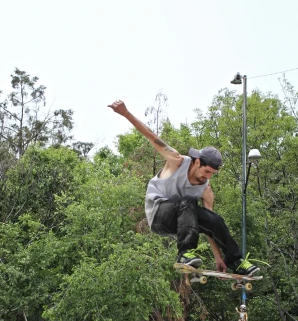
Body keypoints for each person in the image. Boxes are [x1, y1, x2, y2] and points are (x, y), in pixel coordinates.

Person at [108, 100, 259, 276]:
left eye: (212, 174)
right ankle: (185, 254)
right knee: (188, 201)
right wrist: (125, 113)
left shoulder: (206, 190)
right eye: (206, 171)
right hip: (158, 215)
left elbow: (210, 228)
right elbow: (151, 136)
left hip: (183, 222)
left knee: (215, 219)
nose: (207, 177)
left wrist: (217, 257)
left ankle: (235, 260)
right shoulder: (177, 161)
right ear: (196, 162)